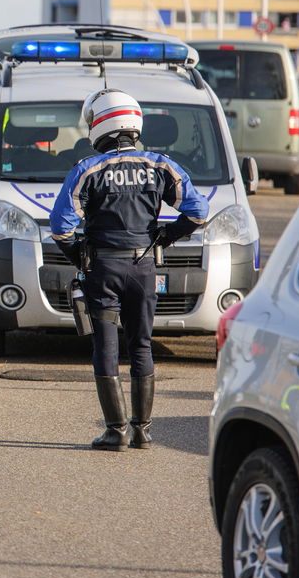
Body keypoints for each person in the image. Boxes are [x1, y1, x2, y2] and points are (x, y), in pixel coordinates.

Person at [49, 89, 209, 451]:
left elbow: (60, 226)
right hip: (144, 267)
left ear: (101, 125)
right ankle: (143, 430)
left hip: (103, 267)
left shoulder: (87, 169)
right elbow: (197, 212)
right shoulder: (160, 165)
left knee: (105, 347)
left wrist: (80, 256)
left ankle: (115, 431)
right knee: (141, 343)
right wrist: (166, 236)